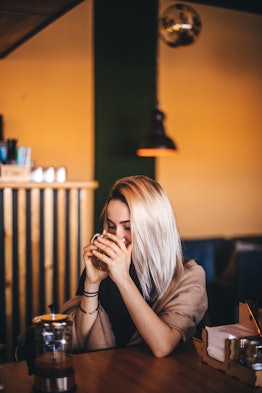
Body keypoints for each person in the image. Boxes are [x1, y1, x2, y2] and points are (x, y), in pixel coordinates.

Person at [61, 175, 208, 358]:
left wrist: (122, 279)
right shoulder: (103, 266)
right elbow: (81, 341)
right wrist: (91, 283)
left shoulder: (189, 276)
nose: (118, 237)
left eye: (128, 227)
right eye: (111, 226)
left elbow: (163, 346)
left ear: (155, 227)